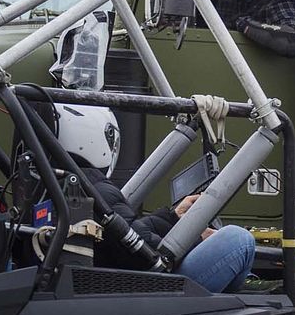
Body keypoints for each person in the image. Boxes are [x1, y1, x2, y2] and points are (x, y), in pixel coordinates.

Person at [58, 106, 255, 293]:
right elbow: (141, 252)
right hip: (149, 288)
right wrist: (195, 237)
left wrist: (173, 218)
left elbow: (129, 232)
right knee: (239, 240)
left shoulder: (68, 183)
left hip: (119, 283)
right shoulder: (95, 188)